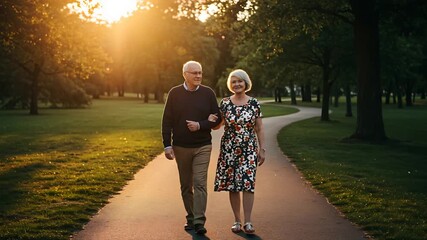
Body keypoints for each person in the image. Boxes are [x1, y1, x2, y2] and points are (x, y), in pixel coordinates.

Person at [161, 60, 222, 235]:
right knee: (186, 185)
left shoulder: (208, 93)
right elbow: (167, 121)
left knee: (200, 183)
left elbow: (217, 118)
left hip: (203, 145)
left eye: (200, 72)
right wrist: (167, 145)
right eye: (194, 73)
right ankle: (191, 216)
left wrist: (200, 124)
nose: (198, 76)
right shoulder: (174, 93)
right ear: (185, 74)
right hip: (181, 146)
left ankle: (198, 221)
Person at [212, 69, 266, 234]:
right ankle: (237, 221)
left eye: (240, 81)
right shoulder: (225, 103)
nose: (237, 84)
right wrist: (211, 121)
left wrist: (261, 149)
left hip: (249, 149)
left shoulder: (254, 103)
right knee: (233, 186)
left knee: (248, 184)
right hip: (229, 149)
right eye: (234, 81)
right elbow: (217, 126)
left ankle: (248, 222)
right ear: (231, 84)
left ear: (245, 83)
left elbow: (259, 128)